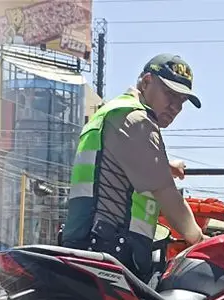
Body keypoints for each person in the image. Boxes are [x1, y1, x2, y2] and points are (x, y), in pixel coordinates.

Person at [63, 54, 206, 281]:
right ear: (146, 82)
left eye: (182, 101)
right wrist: (201, 240)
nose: (176, 107)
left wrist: (165, 166)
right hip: (110, 255)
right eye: (170, 94)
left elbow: (114, 167)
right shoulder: (137, 120)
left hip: (87, 248)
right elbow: (167, 194)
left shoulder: (112, 112)